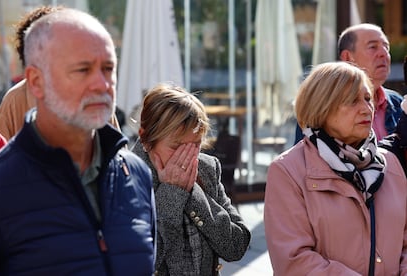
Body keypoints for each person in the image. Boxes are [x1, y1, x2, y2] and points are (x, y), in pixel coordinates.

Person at [0, 8, 155, 275]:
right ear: (36, 81)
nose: (101, 84)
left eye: (108, 68)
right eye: (83, 70)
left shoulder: (136, 175)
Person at [265, 62, 407, 275]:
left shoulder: (391, 163)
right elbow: (293, 260)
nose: (366, 108)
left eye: (368, 99)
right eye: (351, 101)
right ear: (321, 106)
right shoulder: (288, 171)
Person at [132, 83, 251, 275]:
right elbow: (140, 261)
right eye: (176, 146)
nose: (186, 156)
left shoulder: (206, 168)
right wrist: (172, 192)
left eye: (195, 145)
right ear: (146, 140)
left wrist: (194, 193)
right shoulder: (127, 178)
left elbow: (236, 246)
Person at [0, 5, 120, 140]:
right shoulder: (15, 99)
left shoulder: (95, 99)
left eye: (108, 68)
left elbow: (117, 152)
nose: (101, 84)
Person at [294, 23, 403, 143]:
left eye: (386, 47)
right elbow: (305, 155)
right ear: (347, 57)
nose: (384, 54)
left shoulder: (398, 103)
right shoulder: (323, 103)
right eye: (373, 47)